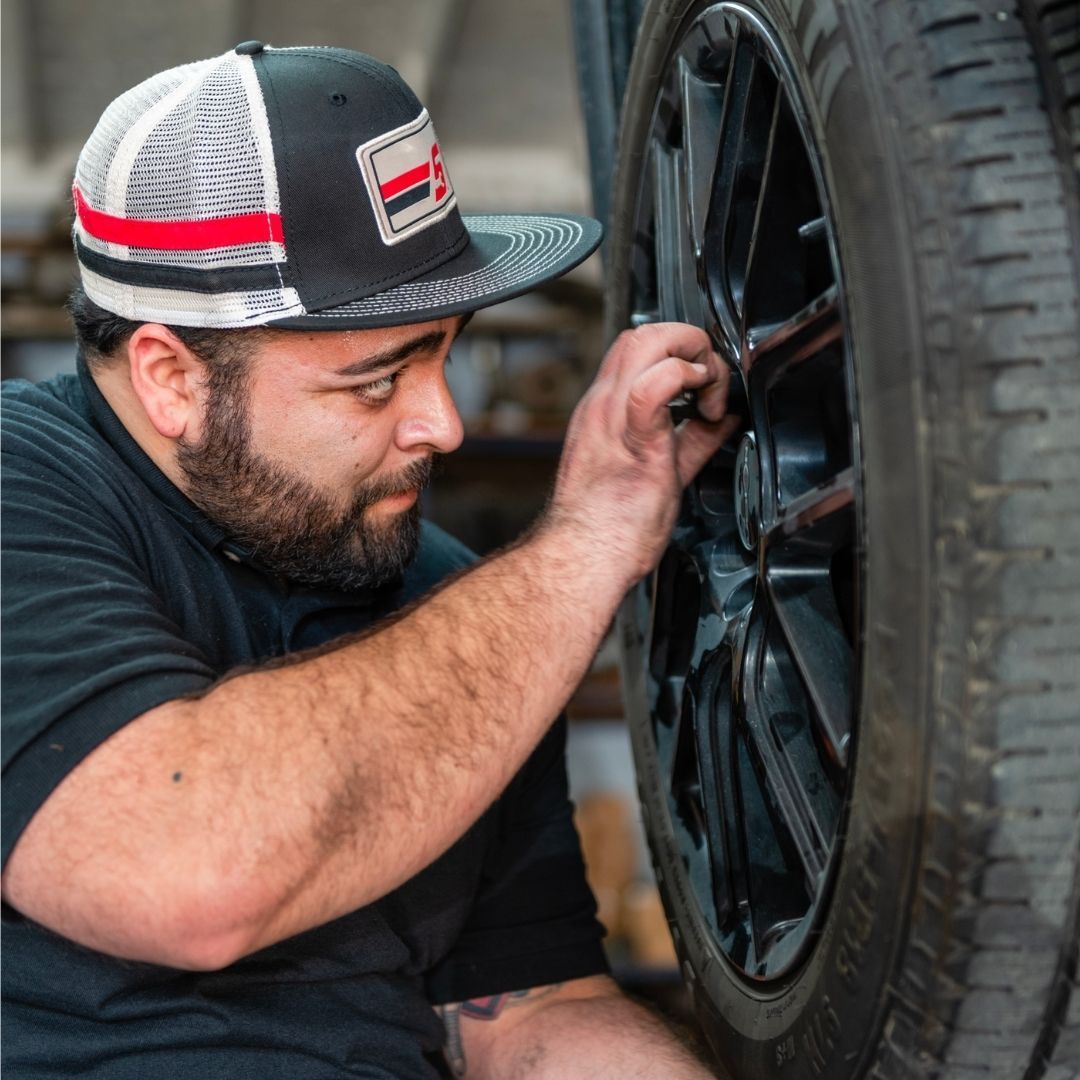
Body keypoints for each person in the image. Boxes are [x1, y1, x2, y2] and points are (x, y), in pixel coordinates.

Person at [1, 42, 735, 1078]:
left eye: (442, 351)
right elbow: (178, 871)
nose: (442, 424)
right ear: (170, 378)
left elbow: (528, 1013)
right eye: (375, 382)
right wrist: (584, 549)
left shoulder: (453, 598)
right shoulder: (23, 487)